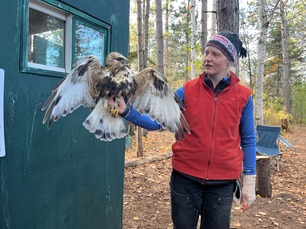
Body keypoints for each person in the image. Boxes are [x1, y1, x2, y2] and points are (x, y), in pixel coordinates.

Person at [111, 31, 256, 229]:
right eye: (206, 52)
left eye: (215, 54)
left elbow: (248, 139)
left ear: (229, 60)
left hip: (222, 185)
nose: (208, 58)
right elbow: (157, 122)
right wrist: (126, 111)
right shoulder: (186, 90)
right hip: (185, 181)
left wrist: (249, 181)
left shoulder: (244, 96)